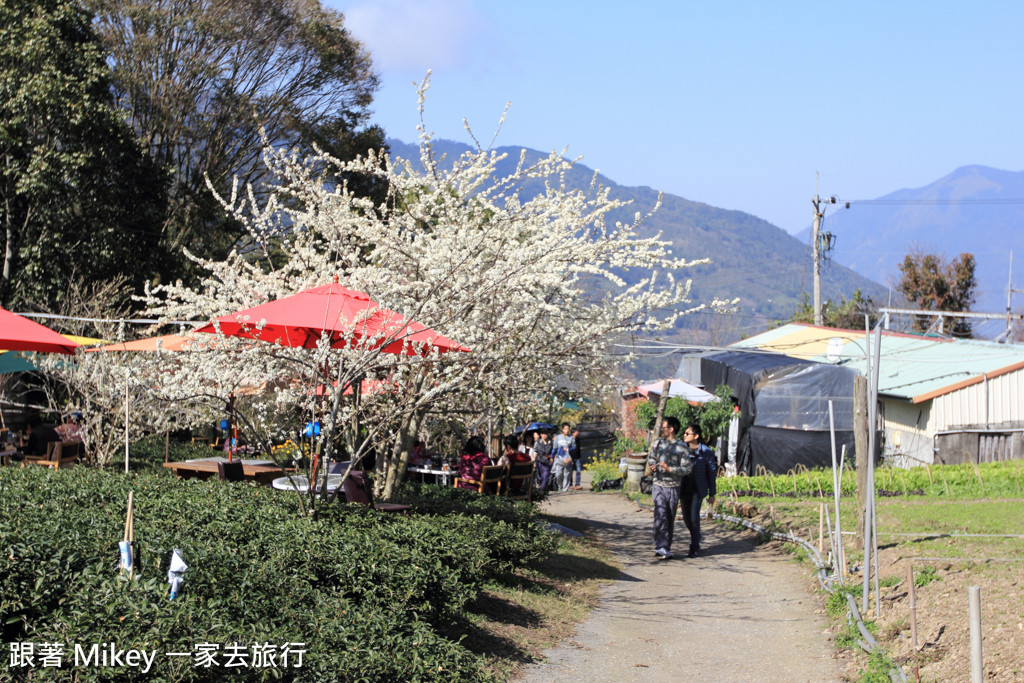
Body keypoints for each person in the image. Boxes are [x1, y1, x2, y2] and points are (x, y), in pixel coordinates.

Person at [646, 416, 693, 559]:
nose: (661, 430)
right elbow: (651, 457)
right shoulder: (657, 443)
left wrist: (670, 469)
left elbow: (687, 469)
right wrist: (652, 465)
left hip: (673, 486)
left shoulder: (681, 447)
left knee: (669, 516)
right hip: (658, 484)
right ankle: (660, 545)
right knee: (660, 514)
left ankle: (666, 546)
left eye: (664, 427)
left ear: (671, 429)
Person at [680, 423, 717, 558]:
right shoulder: (682, 450)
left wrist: (712, 493)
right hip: (684, 489)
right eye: (684, 433)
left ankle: (694, 547)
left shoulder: (705, 452)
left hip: (698, 489)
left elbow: (712, 472)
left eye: (687, 433)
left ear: (696, 436)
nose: (685, 435)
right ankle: (697, 535)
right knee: (686, 518)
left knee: (694, 518)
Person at [551, 422, 576, 492]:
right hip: (559, 458)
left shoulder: (571, 438)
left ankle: (565, 489)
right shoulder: (558, 438)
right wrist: (552, 457)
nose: (567, 430)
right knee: (558, 474)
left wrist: (569, 449)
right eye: (565, 429)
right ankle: (560, 486)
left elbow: (574, 447)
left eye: (568, 429)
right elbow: (554, 448)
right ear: (562, 429)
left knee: (566, 475)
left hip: (568, 459)